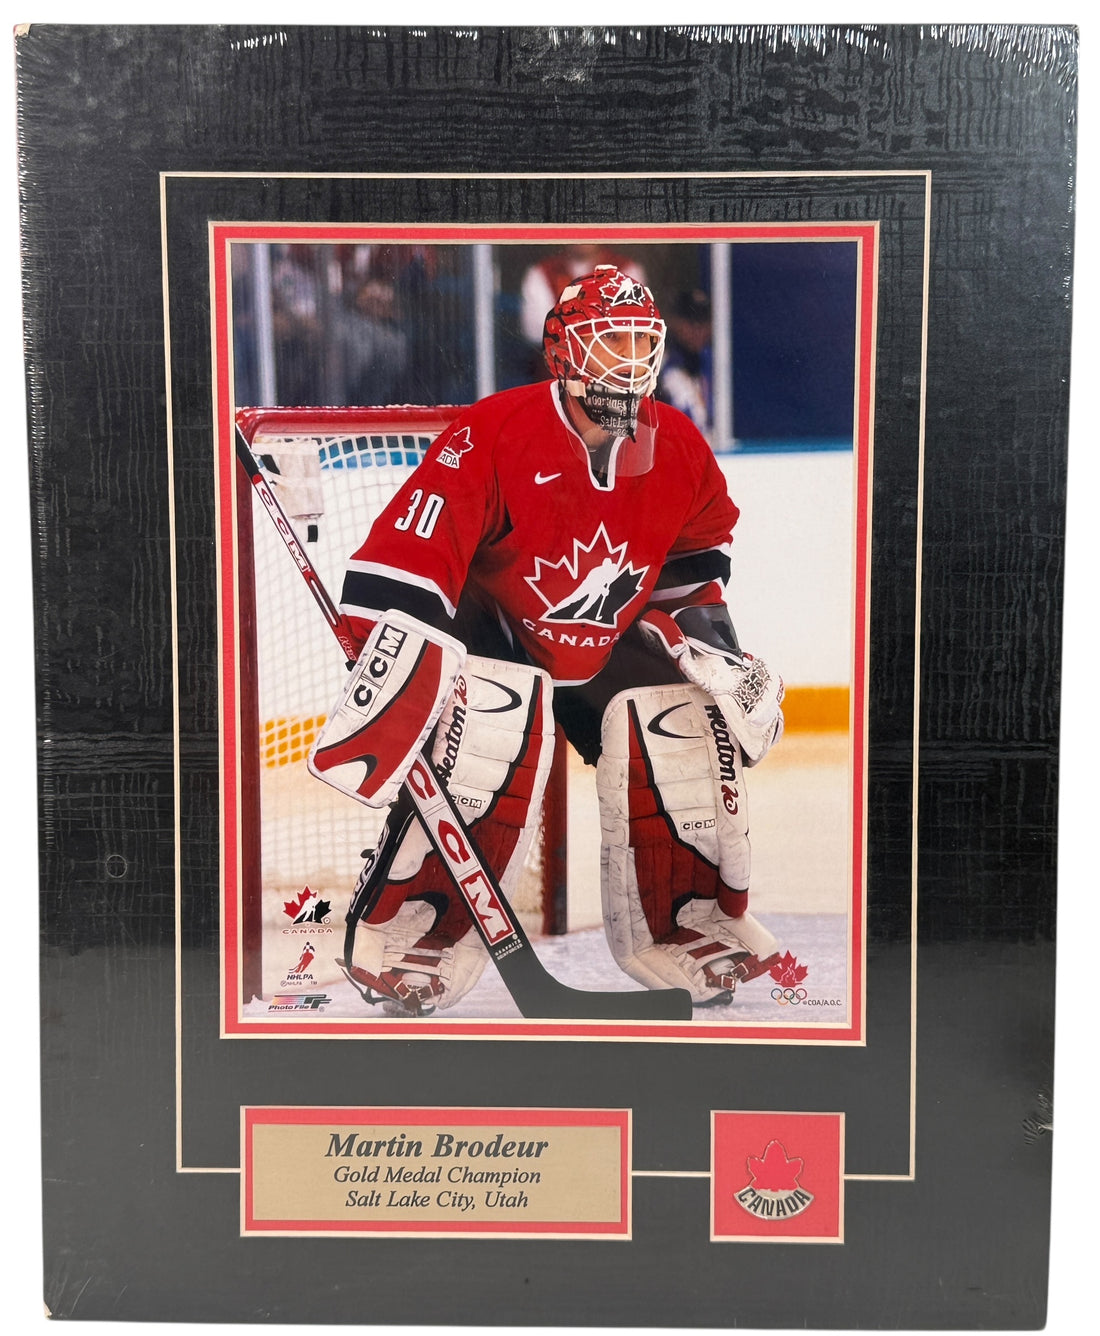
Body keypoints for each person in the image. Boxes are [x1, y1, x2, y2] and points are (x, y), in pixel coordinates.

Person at [310, 267, 785, 1017]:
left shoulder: (678, 442)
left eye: (642, 342)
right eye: (611, 342)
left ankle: (686, 921)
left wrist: (717, 652)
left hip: (602, 644)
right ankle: (415, 926)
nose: (631, 360)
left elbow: (690, 569)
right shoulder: (494, 430)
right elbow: (409, 561)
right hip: (498, 637)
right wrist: (396, 674)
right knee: (490, 724)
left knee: (682, 717)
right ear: (564, 352)